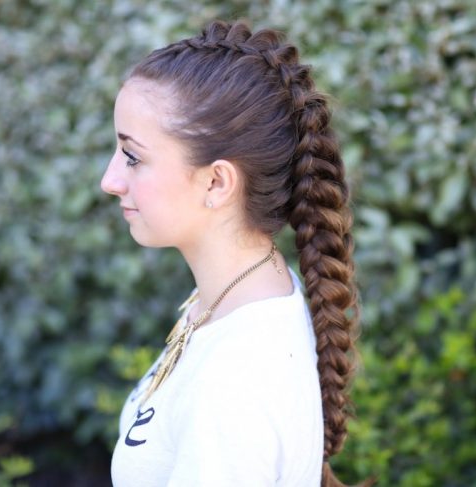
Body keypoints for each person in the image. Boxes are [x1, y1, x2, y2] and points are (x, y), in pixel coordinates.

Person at [100, 19, 363, 487]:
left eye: (133, 157)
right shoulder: (239, 297)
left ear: (217, 182)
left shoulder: (237, 382)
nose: (110, 180)